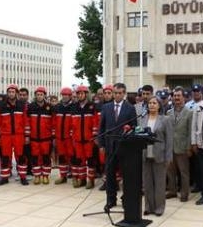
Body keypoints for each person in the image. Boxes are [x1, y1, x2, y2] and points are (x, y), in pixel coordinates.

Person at [97, 82, 137, 210]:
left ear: (124, 94)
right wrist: (101, 144)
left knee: (126, 174)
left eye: (120, 93)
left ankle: (126, 199)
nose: (117, 95)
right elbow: (102, 127)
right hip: (109, 146)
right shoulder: (106, 107)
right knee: (110, 174)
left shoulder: (130, 108)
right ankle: (110, 200)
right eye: (115, 93)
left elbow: (134, 127)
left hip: (124, 147)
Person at [141, 96, 173, 216]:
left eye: (154, 103)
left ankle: (159, 208)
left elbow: (169, 140)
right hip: (145, 153)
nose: (152, 105)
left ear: (159, 105)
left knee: (159, 183)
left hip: (160, 154)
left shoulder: (165, 119)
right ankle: (148, 207)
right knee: (147, 183)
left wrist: (169, 157)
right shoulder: (143, 119)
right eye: (150, 103)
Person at [0, 84, 29, 185]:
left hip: (19, 135)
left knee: (21, 156)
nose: (11, 94)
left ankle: (23, 176)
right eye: (9, 92)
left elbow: (26, 121)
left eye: (13, 92)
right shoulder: (1, 106)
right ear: (7, 93)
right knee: (5, 156)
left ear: (16, 93)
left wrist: (27, 135)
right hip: (5, 135)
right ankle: (4, 177)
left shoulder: (22, 105)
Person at [166, 86, 193, 202]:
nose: (176, 98)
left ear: (184, 98)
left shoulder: (189, 112)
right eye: (174, 96)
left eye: (178, 95)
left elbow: (190, 131)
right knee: (170, 171)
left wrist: (189, 147)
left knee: (184, 172)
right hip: (170, 147)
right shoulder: (168, 112)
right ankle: (172, 191)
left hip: (183, 147)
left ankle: (184, 194)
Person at [70, 85, 98, 189]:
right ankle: (81, 179)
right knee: (79, 160)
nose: (80, 95)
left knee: (90, 160)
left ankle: (90, 180)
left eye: (82, 93)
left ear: (86, 94)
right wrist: (72, 136)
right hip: (77, 139)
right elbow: (71, 124)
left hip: (89, 139)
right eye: (78, 93)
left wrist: (94, 136)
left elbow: (95, 122)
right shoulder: (74, 107)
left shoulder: (92, 106)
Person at [27, 86, 53, 185]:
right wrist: (28, 135)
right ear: (35, 96)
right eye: (38, 95)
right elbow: (27, 122)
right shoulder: (31, 107)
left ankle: (45, 176)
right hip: (34, 138)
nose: (39, 96)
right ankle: (37, 176)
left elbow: (52, 122)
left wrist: (52, 135)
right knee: (35, 157)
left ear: (44, 96)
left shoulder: (49, 107)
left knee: (46, 157)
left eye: (41, 94)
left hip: (46, 138)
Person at [53, 87, 75, 184]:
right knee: (61, 157)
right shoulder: (57, 107)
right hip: (59, 137)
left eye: (67, 95)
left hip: (69, 138)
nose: (65, 96)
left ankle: (75, 176)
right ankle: (63, 176)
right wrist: (54, 136)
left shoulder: (74, 107)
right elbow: (54, 122)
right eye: (63, 95)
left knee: (72, 157)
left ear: (70, 96)